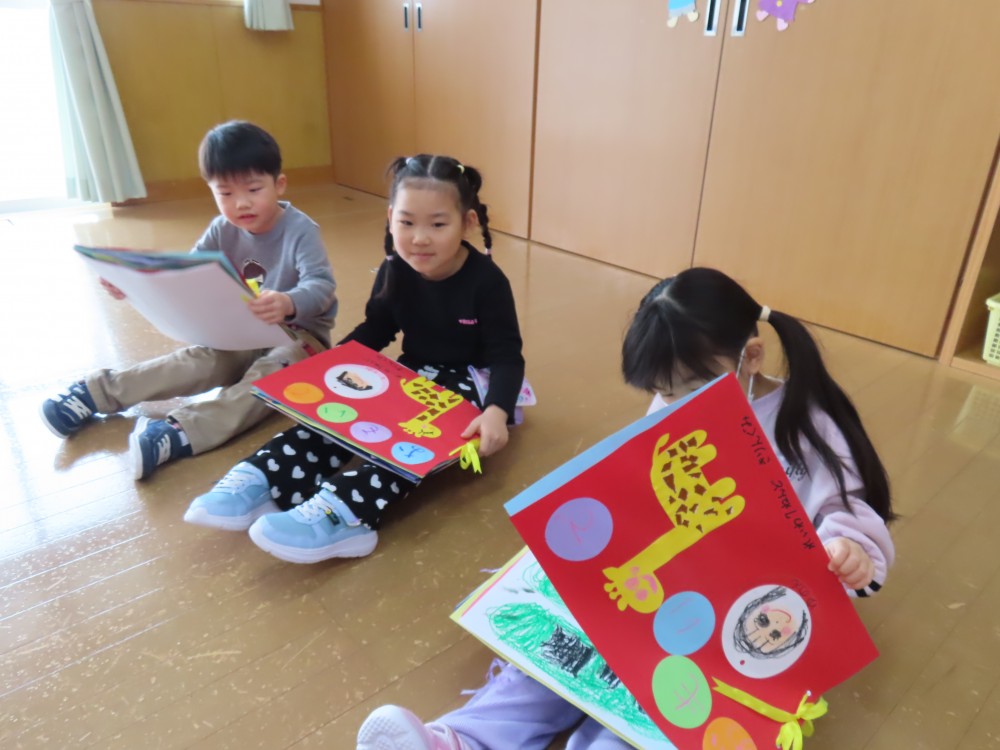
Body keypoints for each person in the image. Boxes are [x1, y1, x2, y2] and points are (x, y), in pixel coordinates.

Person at [354, 267, 895, 750]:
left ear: (750, 357)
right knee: (562, 649)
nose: (674, 404)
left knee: (662, 697)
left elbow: (849, 512)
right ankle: (462, 739)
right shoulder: (672, 401)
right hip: (659, 582)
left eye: (689, 389)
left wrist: (848, 549)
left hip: (737, 614)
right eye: (664, 392)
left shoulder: (810, 422)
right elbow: (641, 491)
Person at [183, 154, 525, 563]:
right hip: (412, 372)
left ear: (467, 222)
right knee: (336, 414)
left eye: (437, 225)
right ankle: (265, 478)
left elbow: (507, 356)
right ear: (390, 217)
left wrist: (497, 411)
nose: (419, 238)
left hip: (472, 382)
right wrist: (329, 366)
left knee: (407, 443)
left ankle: (345, 514)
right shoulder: (395, 268)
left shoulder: (487, 282)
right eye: (406, 222)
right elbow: (377, 329)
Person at [39, 121, 338, 480]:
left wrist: (288, 301)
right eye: (225, 193)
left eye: (253, 189)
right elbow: (187, 276)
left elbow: (321, 285)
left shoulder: (300, 230)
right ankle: (95, 393)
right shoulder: (221, 229)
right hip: (242, 332)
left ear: (280, 184)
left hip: (300, 338)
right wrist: (132, 284)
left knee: (272, 375)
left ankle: (181, 433)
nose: (241, 203)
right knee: (199, 361)